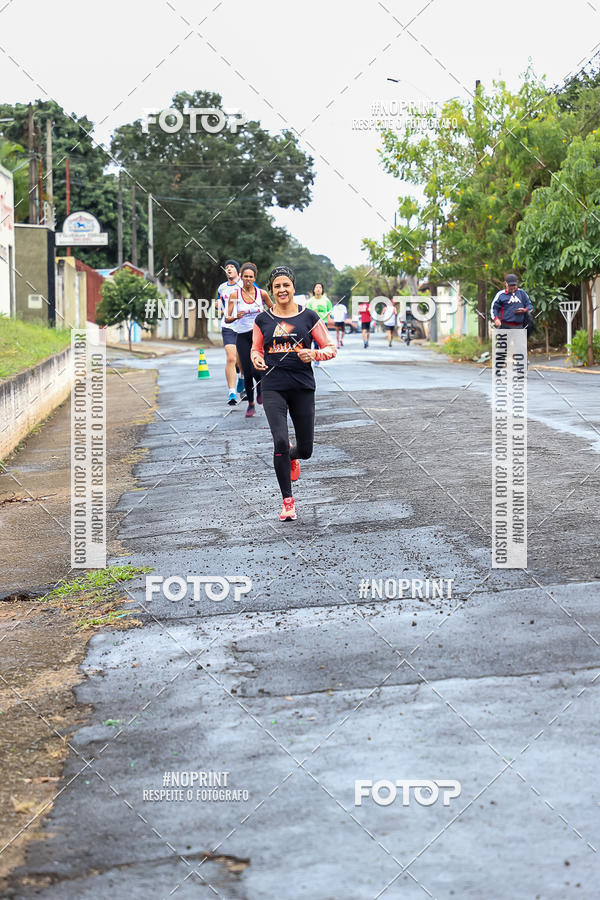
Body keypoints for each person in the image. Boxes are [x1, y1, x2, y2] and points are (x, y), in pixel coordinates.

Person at [251, 265, 337, 521]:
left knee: (306, 449)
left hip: (302, 386)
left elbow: (331, 348)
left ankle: (293, 455)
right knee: (279, 441)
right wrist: (255, 357)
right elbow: (256, 349)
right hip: (273, 385)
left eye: (286, 285)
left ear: (293, 287)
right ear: (271, 289)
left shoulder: (309, 317)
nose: (282, 290)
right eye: (277, 286)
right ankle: (287, 502)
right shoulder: (263, 320)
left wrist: (314, 354)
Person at [226, 262, 273, 418]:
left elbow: (274, 311)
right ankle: (251, 404)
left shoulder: (262, 294)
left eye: (250, 277)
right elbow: (227, 318)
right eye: (245, 276)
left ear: (255, 278)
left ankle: (260, 388)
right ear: (241, 277)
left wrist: (268, 318)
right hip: (243, 336)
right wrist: (235, 316)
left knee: (257, 368)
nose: (248, 279)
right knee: (246, 370)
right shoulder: (235, 295)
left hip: (258, 336)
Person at [216, 260, 243, 405]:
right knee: (231, 358)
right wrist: (218, 306)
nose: (229, 269)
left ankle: (243, 378)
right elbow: (220, 304)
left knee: (242, 359)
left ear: (238, 272)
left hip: (244, 326)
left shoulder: (246, 285)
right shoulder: (221, 288)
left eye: (232, 267)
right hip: (228, 325)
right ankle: (232, 392)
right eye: (227, 268)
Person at [305, 282, 332, 365]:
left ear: (322, 290)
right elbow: (307, 313)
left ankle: (317, 358)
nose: (318, 289)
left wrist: (328, 319)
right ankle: (310, 356)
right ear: (314, 290)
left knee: (319, 342)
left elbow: (329, 310)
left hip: (323, 323)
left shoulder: (326, 300)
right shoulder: (310, 301)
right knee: (311, 341)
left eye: (320, 287)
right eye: (316, 287)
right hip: (313, 324)